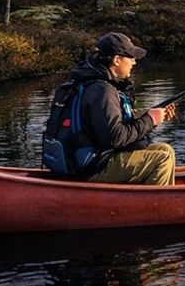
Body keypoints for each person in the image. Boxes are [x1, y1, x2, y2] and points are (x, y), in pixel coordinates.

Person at [69, 32, 178, 185]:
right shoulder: (103, 91)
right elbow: (116, 138)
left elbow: (111, 123)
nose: (134, 62)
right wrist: (150, 120)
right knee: (162, 159)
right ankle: (154, 207)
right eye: (131, 58)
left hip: (96, 158)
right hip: (93, 167)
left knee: (164, 150)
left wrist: (150, 115)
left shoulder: (97, 83)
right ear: (117, 60)